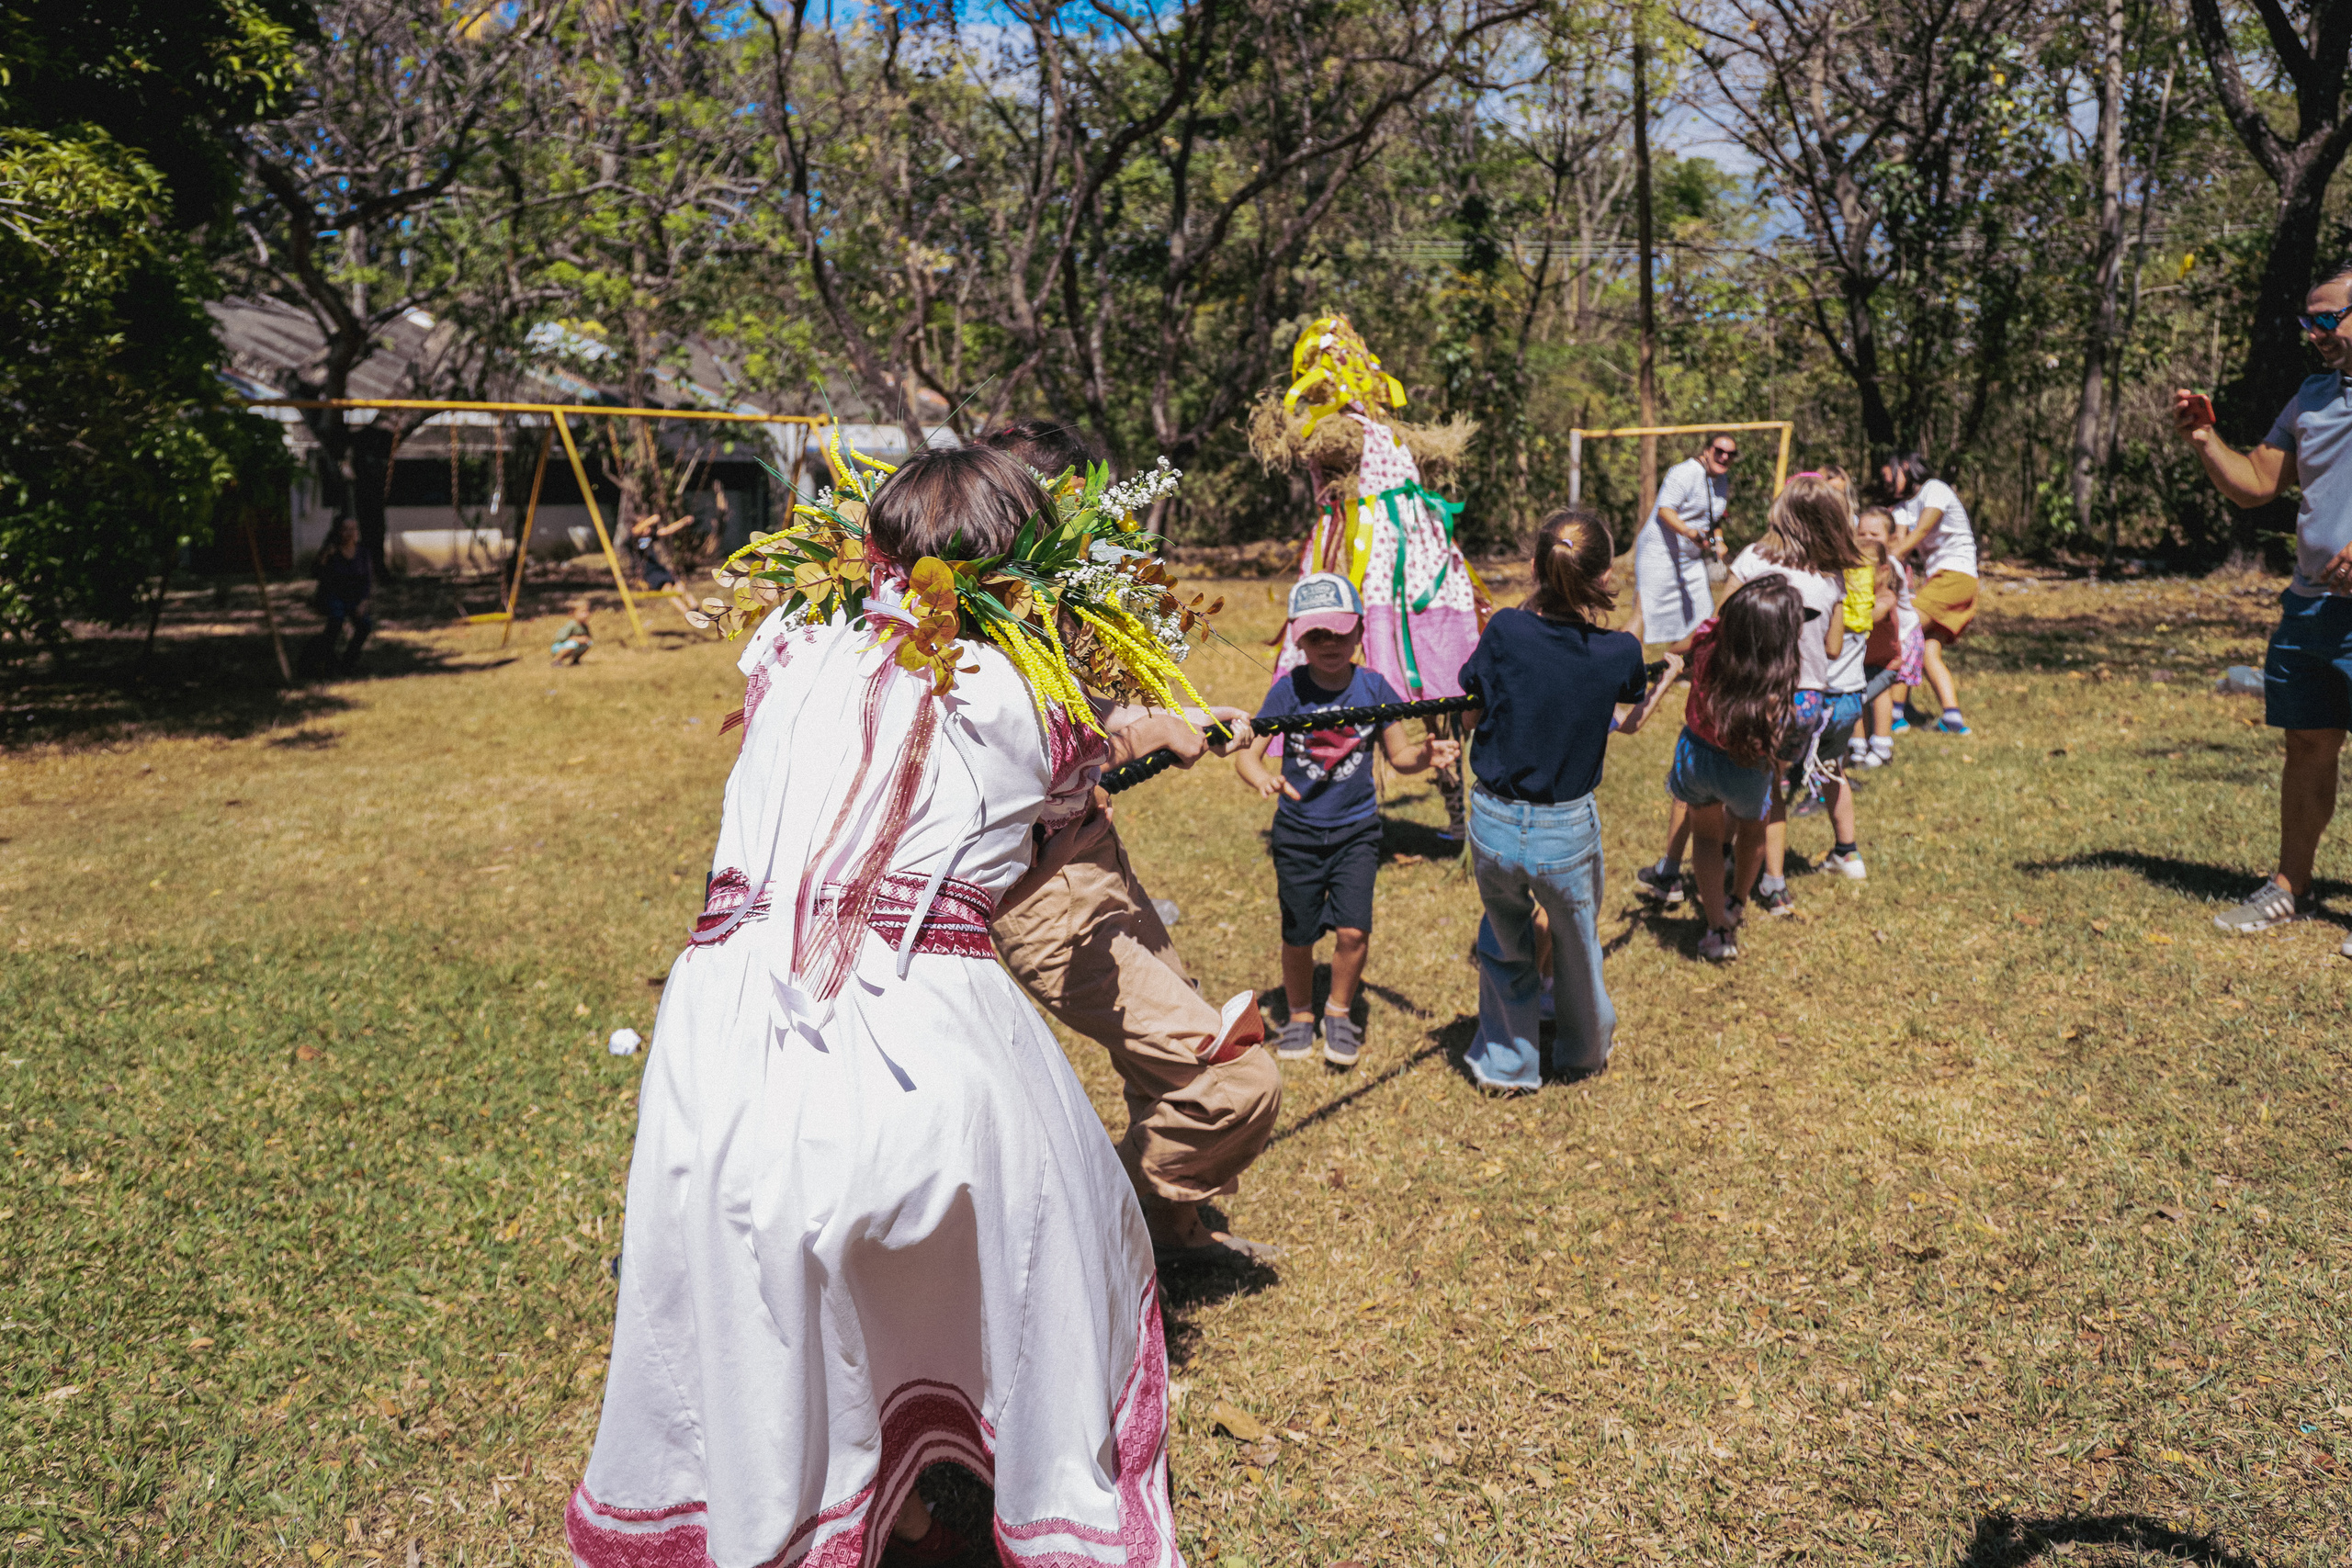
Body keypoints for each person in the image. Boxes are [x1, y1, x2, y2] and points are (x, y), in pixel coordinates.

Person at [567, 446, 1181, 1568]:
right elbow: (1072, 769)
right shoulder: (1037, 698)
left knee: (763, 1264)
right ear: (1031, 575)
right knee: (1058, 1230)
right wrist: (1162, 721)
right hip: (911, 1032)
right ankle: (1010, 1488)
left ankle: (832, 1497)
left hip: (726, 1029)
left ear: (873, 556)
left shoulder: (790, 650)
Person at [980, 419, 1284, 1269]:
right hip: (1044, 899)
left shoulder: (1031, 600)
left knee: (1167, 1067)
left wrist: (1178, 716)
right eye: (1077, 518)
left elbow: (1079, 709)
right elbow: (1024, 758)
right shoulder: (960, 629)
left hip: (1093, 857)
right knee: (1231, 1082)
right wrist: (1149, 733)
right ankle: (1109, 1239)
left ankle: (1171, 1239)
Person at [1455, 509, 1680, 1094]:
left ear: (1534, 568)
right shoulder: (1619, 653)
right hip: (1566, 830)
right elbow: (1626, 723)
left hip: (1495, 821)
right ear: (1605, 577)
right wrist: (1667, 678)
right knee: (1577, 947)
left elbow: (1473, 710)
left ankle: (1510, 1066)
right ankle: (1581, 1053)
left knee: (1506, 945)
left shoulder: (1503, 630)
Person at [2176, 258, 2352, 953]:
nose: (2313, 332)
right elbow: (2256, 484)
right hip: (2311, 607)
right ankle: (2290, 887)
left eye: (2326, 317)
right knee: (2306, 744)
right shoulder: (2310, 397)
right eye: (2307, 320)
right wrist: (2202, 440)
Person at [1234, 572, 1459, 1068]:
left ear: (1360, 632)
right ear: (1299, 639)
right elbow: (1247, 755)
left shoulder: (1374, 687)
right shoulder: (1287, 691)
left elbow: (1399, 757)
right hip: (1296, 833)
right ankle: (1298, 1014)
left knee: (1354, 932)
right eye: (1317, 635)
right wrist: (1260, 778)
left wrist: (1427, 755)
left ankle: (1337, 1010)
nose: (1330, 644)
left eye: (1339, 632)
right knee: (1299, 934)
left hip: (1358, 831)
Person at [1729, 473, 1865, 908]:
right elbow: (1833, 646)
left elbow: (1721, 619)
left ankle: (1747, 870)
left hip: (1756, 692)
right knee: (1774, 784)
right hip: (1807, 701)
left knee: (1745, 784)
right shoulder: (1830, 578)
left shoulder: (1752, 558)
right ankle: (1772, 880)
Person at [1659, 577, 1805, 962]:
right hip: (1747, 764)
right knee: (1751, 831)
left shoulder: (1709, 642)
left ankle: (1716, 927)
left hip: (1696, 756)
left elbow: (1681, 648)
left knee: (1706, 837)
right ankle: (1737, 900)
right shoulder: (1776, 673)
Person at [1629, 434, 1737, 905]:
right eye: (1719, 450)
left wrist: (1714, 541)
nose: (1724, 458)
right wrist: (1698, 537)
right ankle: (1625, 670)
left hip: (1692, 558)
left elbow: (1712, 523)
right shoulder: (1685, 473)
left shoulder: (1721, 483)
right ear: (1705, 450)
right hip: (1663, 549)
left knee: (1701, 622)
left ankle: (1679, 668)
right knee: (1644, 615)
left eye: (1732, 454)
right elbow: (1667, 514)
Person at [1882, 451, 1977, 735]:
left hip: (1955, 577)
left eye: (1891, 476)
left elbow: (1919, 533)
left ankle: (1895, 715)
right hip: (1938, 579)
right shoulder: (1902, 509)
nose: (1887, 483)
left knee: (1902, 632)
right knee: (1927, 651)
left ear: (1906, 467)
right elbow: (1899, 541)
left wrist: (1882, 563)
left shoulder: (1935, 489)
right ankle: (1952, 718)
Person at [1849, 505, 1924, 770]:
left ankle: (1881, 746)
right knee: (1856, 692)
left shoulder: (1888, 568)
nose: (1867, 538)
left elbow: (1881, 608)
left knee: (1877, 694)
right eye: (1862, 533)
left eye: (1874, 533)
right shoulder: (1857, 564)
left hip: (1899, 645)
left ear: (1892, 539)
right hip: (1870, 649)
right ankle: (1858, 747)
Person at [311, 515, 373, 674]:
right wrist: (324, 558)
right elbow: (316, 574)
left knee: (365, 624)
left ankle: (348, 662)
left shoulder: (362, 553)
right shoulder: (332, 552)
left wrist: (364, 602)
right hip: (333, 596)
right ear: (339, 532)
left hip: (354, 598)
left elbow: (367, 581)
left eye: (353, 529)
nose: (350, 533)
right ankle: (325, 659)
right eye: (346, 529)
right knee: (336, 620)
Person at [549, 597, 594, 665]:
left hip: (574, 646)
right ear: (572, 613)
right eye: (583, 612)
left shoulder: (584, 625)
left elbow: (588, 636)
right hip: (559, 646)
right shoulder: (571, 625)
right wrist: (577, 639)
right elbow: (561, 638)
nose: (586, 614)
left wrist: (586, 639)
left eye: (587, 611)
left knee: (589, 643)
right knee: (572, 644)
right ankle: (556, 660)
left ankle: (575, 660)